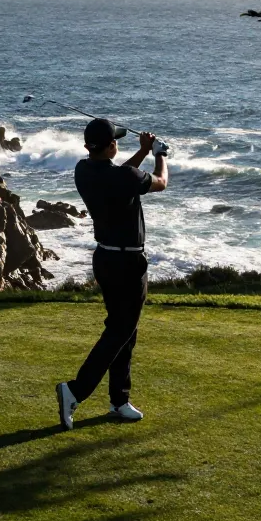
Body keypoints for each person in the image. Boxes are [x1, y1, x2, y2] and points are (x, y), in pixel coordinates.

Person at [56, 118, 168, 429]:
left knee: (124, 330)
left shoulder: (83, 170)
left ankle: (119, 400)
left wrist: (143, 152)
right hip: (128, 265)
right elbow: (160, 182)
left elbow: (122, 176)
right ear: (111, 146)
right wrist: (160, 154)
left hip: (104, 259)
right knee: (120, 331)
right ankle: (75, 390)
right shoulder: (124, 177)